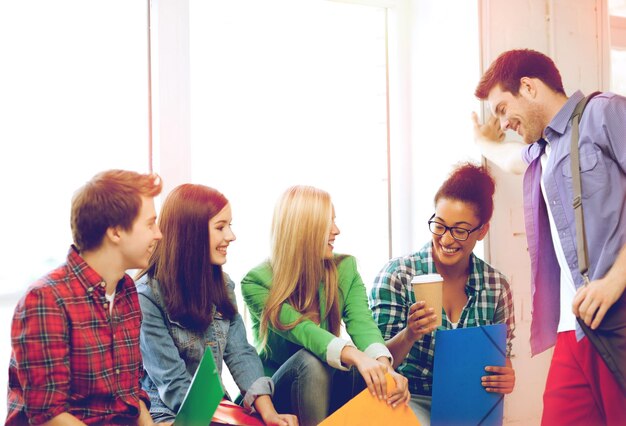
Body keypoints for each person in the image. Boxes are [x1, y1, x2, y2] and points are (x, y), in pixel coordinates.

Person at [472, 48, 626, 424]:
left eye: (503, 109)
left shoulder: (604, 112)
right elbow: (509, 159)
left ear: (528, 87)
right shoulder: (541, 152)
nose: (504, 122)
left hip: (616, 314)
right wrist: (481, 141)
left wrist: (614, 281)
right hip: (573, 328)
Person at [241, 185, 410, 426]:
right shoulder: (257, 282)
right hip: (279, 393)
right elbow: (303, 332)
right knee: (312, 359)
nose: (336, 230)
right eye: (327, 223)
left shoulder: (345, 268)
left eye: (334, 220)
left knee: (370, 372)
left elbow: (363, 324)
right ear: (302, 229)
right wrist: (357, 356)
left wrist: (385, 369)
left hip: (328, 386)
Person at [6, 169, 162, 425]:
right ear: (115, 232)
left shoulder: (126, 290)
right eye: (149, 223)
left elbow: (131, 394)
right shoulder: (45, 299)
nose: (158, 234)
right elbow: (48, 415)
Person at [136, 184, 297, 426]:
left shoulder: (223, 285)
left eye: (230, 226)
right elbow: (174, 385)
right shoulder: (146, 297)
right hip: (169, 414)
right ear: (191, 233)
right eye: (221, 227)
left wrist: (269, 414)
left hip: (217, 410)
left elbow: (241, 354)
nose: (231, 236)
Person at [369, 163, 516, 426]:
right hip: (407, 399)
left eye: (460, 230)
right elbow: (374, 362)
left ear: (482, 231)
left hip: (470, 406)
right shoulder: (398, 275)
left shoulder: (496, 287)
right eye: (439, 225)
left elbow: (500, 356)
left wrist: (506, 376)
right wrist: (410, 334)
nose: (446, 240)